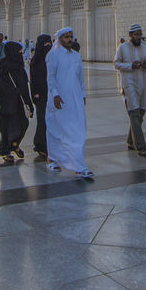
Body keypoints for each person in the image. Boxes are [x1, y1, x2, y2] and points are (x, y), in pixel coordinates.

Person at [46, 27, 92, 179]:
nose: (70, 40)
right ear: (59, 39)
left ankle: (78, 164)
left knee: (78, 131)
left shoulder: (76, 56)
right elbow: (51, 77)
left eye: (71, 36)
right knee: (56, 129)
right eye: (66, 37)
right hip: (60, 99)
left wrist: (83, 94)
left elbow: (80, 77)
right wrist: (56, 95)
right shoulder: (54, 55)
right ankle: (53, 158)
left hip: (75, 99)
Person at [113, 24, 146, 155]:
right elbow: (116, 63)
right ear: (130, 35)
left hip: (142, 84)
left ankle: (131, 141)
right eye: (136, 34)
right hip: (129, 84)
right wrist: (131, 65)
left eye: (140, 34)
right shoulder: (122, 48)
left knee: (140, 114)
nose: (138, 37)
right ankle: (140, 147)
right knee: (134, 114)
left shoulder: (144, 47)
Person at [0, 40, 33, 163]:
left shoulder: (19, 66)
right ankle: (6, 151)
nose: (21, 55)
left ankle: (14, 145)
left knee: (23, 124)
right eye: (19, 52)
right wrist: (4, 101)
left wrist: (28, 103)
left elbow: (24, 86)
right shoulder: (5, 67)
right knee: (7, 128)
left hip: (18, 102)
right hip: (7, 104)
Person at [28, 33, 52, 162]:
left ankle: (47, 144)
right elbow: (33, 79)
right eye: (46, 43)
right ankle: (41, 145)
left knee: (51, 120)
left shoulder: (51, 58)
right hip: (40, 95)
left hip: (51, 93)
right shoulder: (36, 60)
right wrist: (35, 93)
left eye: (50, 43)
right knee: (42, 120)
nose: (48, 46)